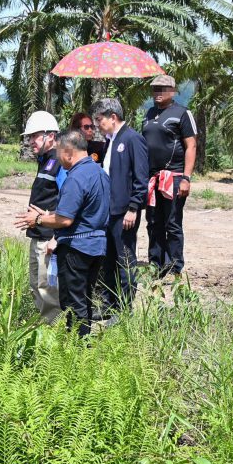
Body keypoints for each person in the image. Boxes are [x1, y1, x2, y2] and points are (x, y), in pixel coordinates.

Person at [16, 129, 109, 337]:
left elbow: (65, 219)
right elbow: (82, 210)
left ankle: (76, 349)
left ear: (68, 152)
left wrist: (38, 219)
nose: (57, 157)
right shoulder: (99, 173)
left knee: (72, 302)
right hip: (97, 247)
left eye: (58, 152)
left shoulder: (76, 177)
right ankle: (80, 344)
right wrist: (50, 213)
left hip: (77, 248)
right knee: (84, 299)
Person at [92, 98, 148, 318]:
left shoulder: (133, 139)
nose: (97, 124)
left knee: (125, 261)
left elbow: (141, 178)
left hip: (124, 212)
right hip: (108, 211)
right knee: (109, 261)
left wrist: (133, 207)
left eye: (99, 120)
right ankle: (109, 304)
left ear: (112, 117)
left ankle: (124, 309)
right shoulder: (111, 140)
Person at [142, 74, 198, 277]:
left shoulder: (182, 113)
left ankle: (175, 267)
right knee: (153, 221)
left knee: (172, 223)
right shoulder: (149, 113)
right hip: (152, 178)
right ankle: (156, 264)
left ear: (173, 91)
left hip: (173, 177)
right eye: (155, 88)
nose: (158, 92)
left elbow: (191, 146)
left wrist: (186, 177)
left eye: (163, 89)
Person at [18, 110, 67, 323]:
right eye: (30, 137)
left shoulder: (60, 161)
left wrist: (57, 238)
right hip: (37, 234)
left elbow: (67, 202)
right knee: (35, 285)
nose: (31, 141)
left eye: (35, 136)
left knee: (48, 288)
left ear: (50, 136)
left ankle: (54, 332)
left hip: (49, 237)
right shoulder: (44, 160)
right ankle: (43, 326)